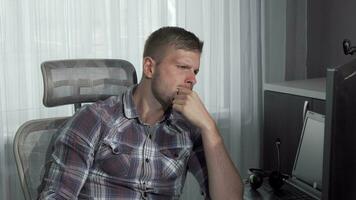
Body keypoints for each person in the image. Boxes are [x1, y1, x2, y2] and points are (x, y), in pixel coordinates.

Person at [38, 26, 243, 200]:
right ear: (149, 67)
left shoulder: (188, 128)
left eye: (195, 71)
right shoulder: (94, 120)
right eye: (182, 67)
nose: (192, 79)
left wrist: (209, 127)